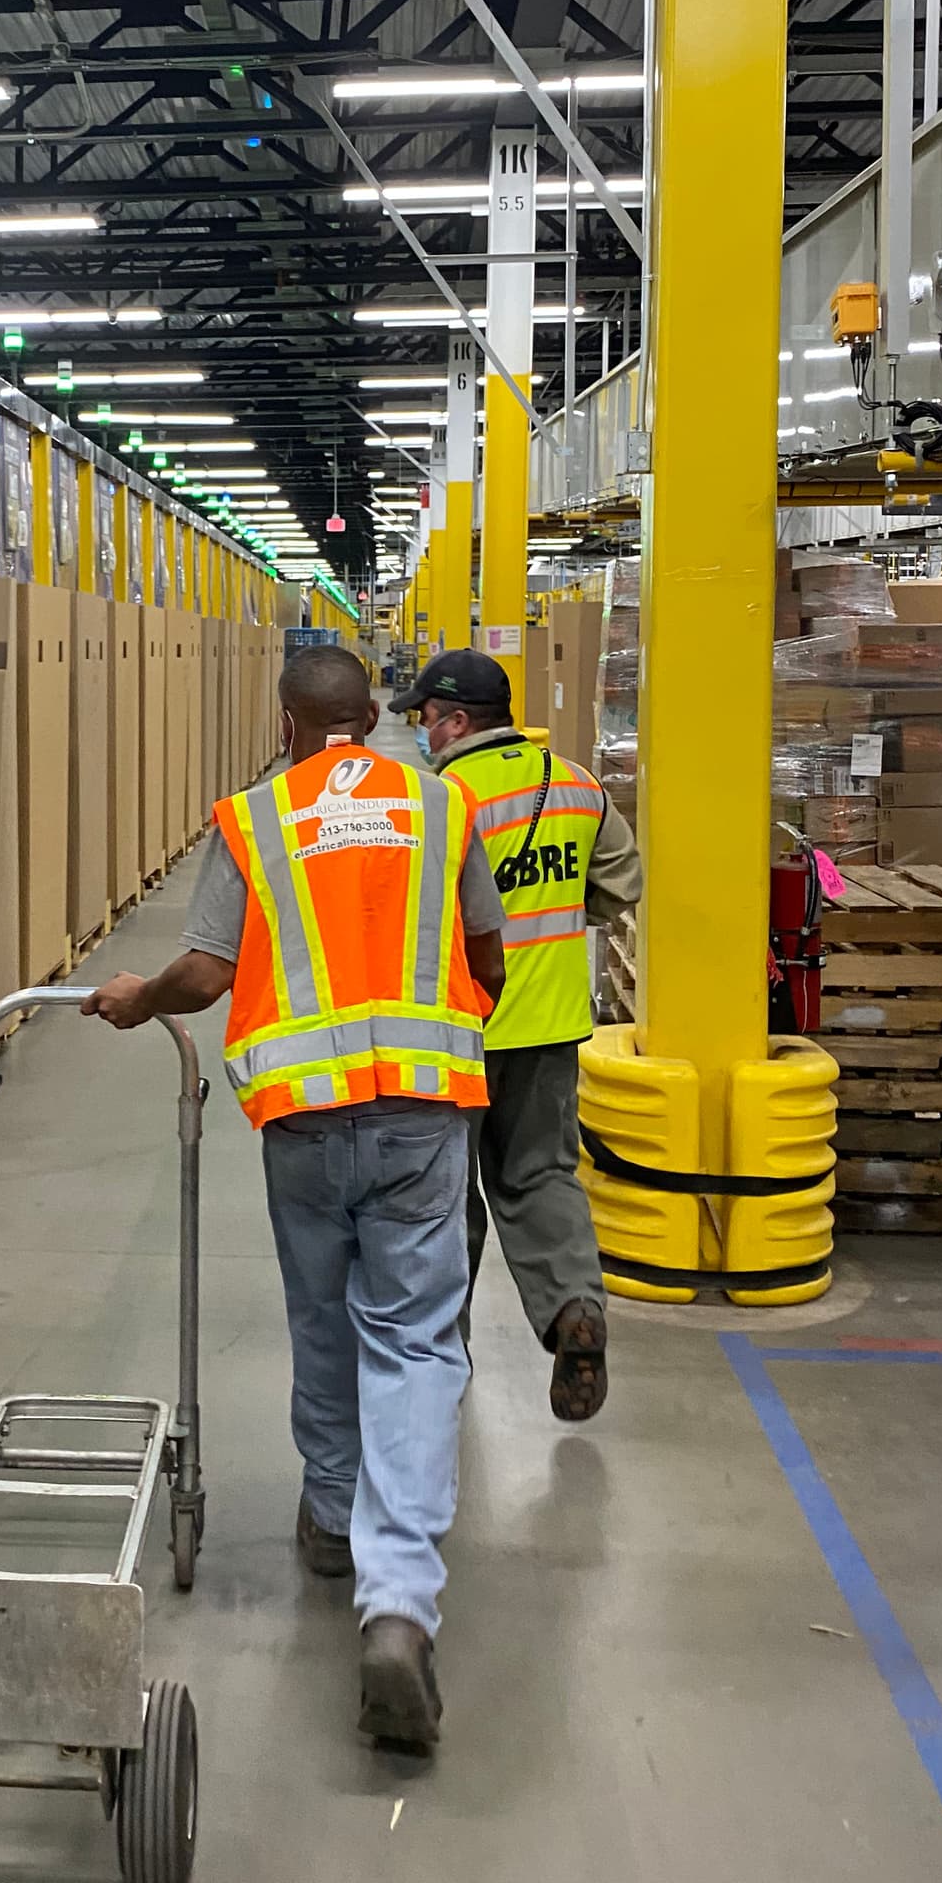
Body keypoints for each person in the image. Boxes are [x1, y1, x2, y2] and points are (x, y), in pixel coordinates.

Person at [84, 645, 506, 1750]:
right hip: (422, 1115)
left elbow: (209, 969)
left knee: (322, 1314)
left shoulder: (258, 818)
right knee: (416, 1342)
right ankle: (400, 1602)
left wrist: (135, 1001)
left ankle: (330, 1512)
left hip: (304, 1123)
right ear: (373, 719)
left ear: (287, 723)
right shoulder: (441, 804)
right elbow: (489, 958)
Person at [391, 648, 642, 1420]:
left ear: (457, 720)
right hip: (552, 1024)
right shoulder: (576, 785)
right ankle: (574, 1308)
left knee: (442, 1199)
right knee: (541, 1178)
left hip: (459, 1027)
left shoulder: (442, 797)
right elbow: (620, 886)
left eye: (427, 720)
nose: (423, 735)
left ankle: (440, 1352)